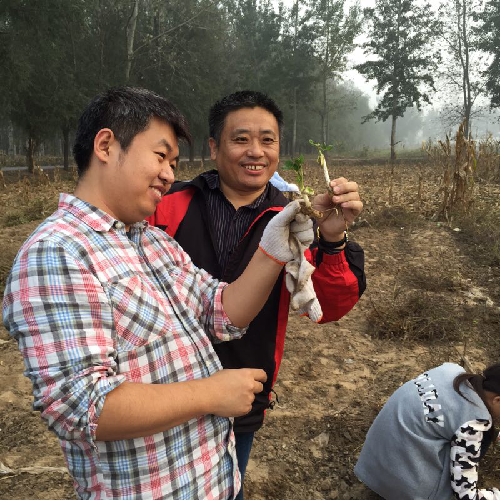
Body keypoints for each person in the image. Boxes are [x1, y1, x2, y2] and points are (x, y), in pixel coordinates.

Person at [2, 86, 317, 500]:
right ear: (106, 145)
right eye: (160, 156)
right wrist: (210, 393)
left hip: (211, 481)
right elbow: (80, 406)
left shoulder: (152, 241)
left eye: (173, 162)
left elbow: (221, 312)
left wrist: (272, 251)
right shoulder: (59, 252)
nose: (169, 174)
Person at [147, 90, 366, 498]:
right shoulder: (167, 207)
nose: (256, 152)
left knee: (227, 486)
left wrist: (333, 239)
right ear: (214, 147)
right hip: (162, 390)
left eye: (268, 140)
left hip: (242, 393)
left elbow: (328, 306)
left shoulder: (293, 220)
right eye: (241, 139)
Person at [354, 362, 500, 500]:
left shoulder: (450, 370)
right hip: (401, 486)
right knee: (484, 436)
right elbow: (466, 495)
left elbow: (447, 414)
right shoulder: (474, 421)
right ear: (497, 400)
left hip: (372, 464)